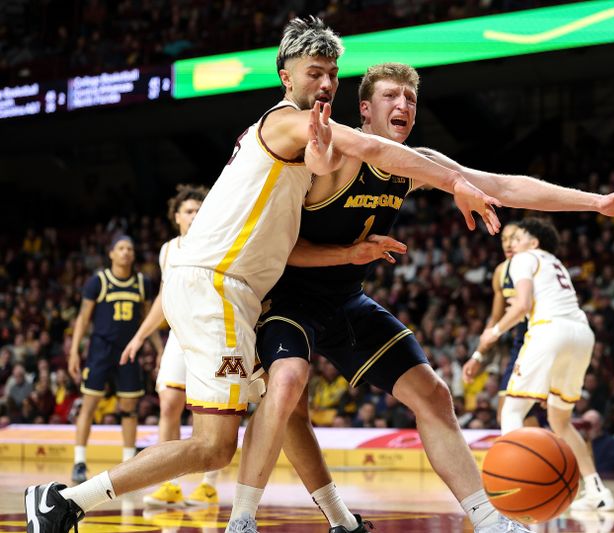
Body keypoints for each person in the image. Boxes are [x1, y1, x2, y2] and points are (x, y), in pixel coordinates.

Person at [25, 18, 501, 533]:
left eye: (332, 76)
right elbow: (374, 150)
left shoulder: (307, 138)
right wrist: (454, 181)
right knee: (215, 445)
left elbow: (330, 170)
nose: (325, 84)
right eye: (314, 73)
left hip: (234, 288)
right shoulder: (288, 121)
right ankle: (66, 501)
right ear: (285, 76)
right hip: (218, 284)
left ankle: (341, 520)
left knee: (287, 401)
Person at [238, 62, 614, 532]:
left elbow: (502, 186)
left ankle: (488, 520)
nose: (403, 105)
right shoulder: (331, 155)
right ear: (364, 109)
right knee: (288, 384)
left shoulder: (414, 164)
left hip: (345, 299)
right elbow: (276, 248)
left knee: (435, 395)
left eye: (411, 99)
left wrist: (597, 203)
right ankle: (243, 519)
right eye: (391, 97)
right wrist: (349, 252)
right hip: (287, 296)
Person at [478, 217, 614, 512]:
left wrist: (494, 331)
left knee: (512, 410)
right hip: (581, 334)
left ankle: (512, 489)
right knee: (560, 421)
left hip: (549, 330)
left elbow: (523, 304)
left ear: (533, 242)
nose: (512, 243)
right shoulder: (555, 262)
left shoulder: (523, 259)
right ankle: (597, 490)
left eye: (519, 238)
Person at [117, 184, 223, 508]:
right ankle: (169, 486)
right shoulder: (168, 250)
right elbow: (164, 299)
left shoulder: (219, 241)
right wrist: (139, 336)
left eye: (199, 210)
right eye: (189, 210)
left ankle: (209, 485)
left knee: (213, 412)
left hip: (215, 332)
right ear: (177, 216)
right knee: (169, 405)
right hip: (179, 334)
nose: (195, 215)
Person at [67, 234, 155, 484]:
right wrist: (74, 351)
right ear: (112, 254)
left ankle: (129, 464)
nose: (126, 252)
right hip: (100, 351)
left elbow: (148, 320)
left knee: (129, 408)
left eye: (130, 248)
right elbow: (83, 318)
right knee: (89, 405)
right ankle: (79, 462)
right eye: (121, 248)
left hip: (128, 353)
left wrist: (159, 349)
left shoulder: (142, 283)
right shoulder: (98, 281)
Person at [461, 221, 528, 425]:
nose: (508, 245)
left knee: (552, 414)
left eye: (514, 239)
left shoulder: (538, 265)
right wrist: (477, 356)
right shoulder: (501, 272)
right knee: (505, 415)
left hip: (546, 337)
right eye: (504, 240)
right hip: (522, 342)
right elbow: (494, 319)